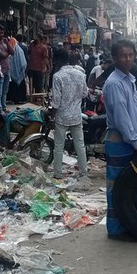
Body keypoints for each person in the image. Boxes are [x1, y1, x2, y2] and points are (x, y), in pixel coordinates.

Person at [103, 40, 137, 240]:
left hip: (134, 140)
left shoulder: (130, 80)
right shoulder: (114, 84)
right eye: (123, 55)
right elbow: (121, 118)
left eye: (130, 55)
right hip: (120, 143)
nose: (127, 59)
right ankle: (117, 230)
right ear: (115, 58)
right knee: (119, 188)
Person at [50, 48, 89, 180]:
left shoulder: (57, 76)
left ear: (57, 60)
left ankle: (58, 173)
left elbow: (56, 100)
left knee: (59, 146)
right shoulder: (80, 74)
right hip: (76, 115)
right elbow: (85, 93)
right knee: (80, 145)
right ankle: (83, 172)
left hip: (62, 116)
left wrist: (52, 116)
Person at [0, 25, 14, 113]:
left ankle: (4, 106)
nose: (1, 35)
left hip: (7, 69)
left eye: (2, 33)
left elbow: (12, 52)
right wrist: (8, 53)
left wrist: (7, 43)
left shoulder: (4, 42)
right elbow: (2, 55)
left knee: (5, 90)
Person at [8, 34, 28, 104]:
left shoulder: (17, 50)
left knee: (14, 85)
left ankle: (14, 99)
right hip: (19, 71)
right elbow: (24, 62)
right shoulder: (21, 48)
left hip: (13, 71)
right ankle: (20, 99)